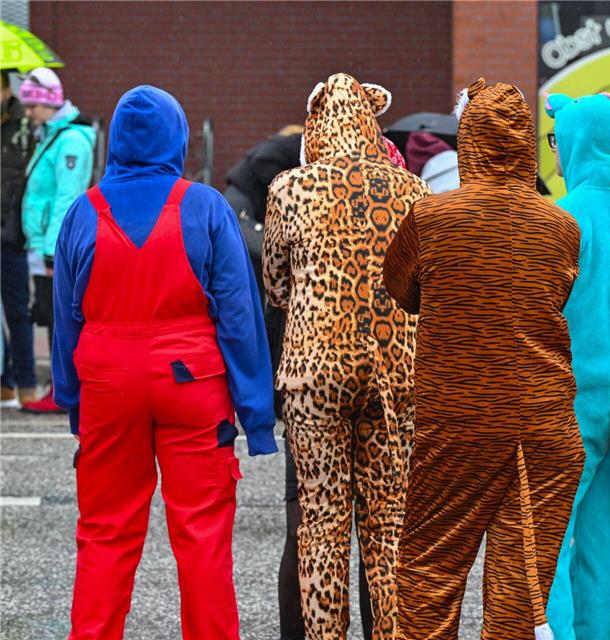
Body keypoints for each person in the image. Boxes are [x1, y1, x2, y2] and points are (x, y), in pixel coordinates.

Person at [52, 85, 278, 640]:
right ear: (178, 138)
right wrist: (257, 415)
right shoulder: (204, 207)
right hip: (191, 380)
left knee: (105, 532)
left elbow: (65, 319)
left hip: (107, 380)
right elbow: (239, 317)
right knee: (202, 535)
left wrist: (72, 401)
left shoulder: (84, 212)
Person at [384, 77, 585, 639]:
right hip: (543, 425)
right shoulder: (561, 226)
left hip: (459, 423)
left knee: (429, 572)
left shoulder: (431, 218)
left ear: (467, 138)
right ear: (524, 145)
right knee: (519, 596)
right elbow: (554, 296)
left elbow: (402, 292)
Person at [263, 73, 430, 639]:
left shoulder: (291, 188)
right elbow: (421, 288)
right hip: (395, 372)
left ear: (316, 125)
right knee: (387, 530)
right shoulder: (413, 192)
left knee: (321, 525)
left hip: (316, 374)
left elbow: (277, 288)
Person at [541, 91, 610, 640]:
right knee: (602, 539)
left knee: (545, 540)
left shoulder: (563, 218)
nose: (554, 152)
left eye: (558, 140)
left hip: (566, 401)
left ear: (578, 143)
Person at [19, 67, 94, 414]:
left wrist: (52, 252)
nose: (28, 113)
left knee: (56, 317)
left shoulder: (71, 141)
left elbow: (66, 198)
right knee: (49, 315)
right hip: (42, 245)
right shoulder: (53, 135)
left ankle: (63, 388)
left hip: (51, 249)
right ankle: (58, 385)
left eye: (32, 106)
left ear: (48, 103)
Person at [1, 70, 37, 407]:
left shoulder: (24, 127)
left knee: (17, 311)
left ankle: (26, 381)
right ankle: (5, 380)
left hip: (10, 233)